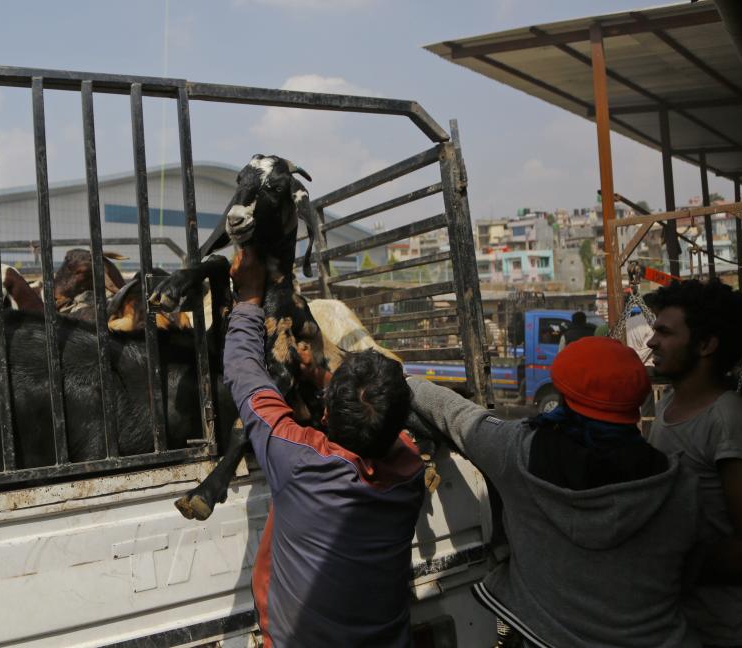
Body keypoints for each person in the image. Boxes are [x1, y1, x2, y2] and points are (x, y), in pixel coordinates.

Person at [408, 336, 701, 647]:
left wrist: (404, 379)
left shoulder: (517, 453)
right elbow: (690, 575)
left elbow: (457, 416)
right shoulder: (679, 485)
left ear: (563, 395)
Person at [225, 249, 425, 647]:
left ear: (326, 416)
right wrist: (320, 378)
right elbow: (388, 429)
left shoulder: (298, 461)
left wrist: (248, 300)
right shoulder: (411, 474)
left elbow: (245, 374)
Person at [646, 278, 742, 648]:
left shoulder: (726, 419)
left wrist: (671, 567)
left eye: (664, 332)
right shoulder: (666, 408)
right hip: (682, 627)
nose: (651, 342)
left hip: (728, 633)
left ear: (706, 344)